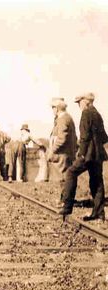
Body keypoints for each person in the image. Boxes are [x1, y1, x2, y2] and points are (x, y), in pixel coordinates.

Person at [60, 93, 108, 221]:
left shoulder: (86, 113)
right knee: (97, 182)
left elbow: (85, 136)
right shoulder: (98, 114)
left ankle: (67, 205)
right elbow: (104, 137)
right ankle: (99, 212)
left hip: (88, 154)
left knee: (71, 172)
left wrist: (81, 152)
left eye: (79, 102)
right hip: (98, 155)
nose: (79, 105)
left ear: (86, 101)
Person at [47, 98, 78, 183]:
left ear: (56, 108)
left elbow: (61, 139)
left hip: (61, 158)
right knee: (66, 181)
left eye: (53, 107)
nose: (52, 110)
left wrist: (52, 151)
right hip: (66, 156)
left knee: (60, 182)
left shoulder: (62, 119)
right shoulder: (67, 118)